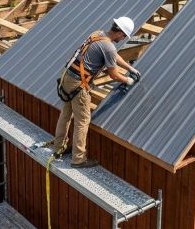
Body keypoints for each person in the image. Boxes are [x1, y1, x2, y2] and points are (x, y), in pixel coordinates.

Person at [52, 16, 141, 168]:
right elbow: (113, 74)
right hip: (79, 85)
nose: (124, 38)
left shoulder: (98, 34)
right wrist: (128, 80)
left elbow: (112, 55)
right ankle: (78, 159)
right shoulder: (109, 47)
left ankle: (59, 148)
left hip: (67, 77)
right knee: (83, 121)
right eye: (124, 36)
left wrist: (129, 68)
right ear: (119, 32)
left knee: (66, 114)